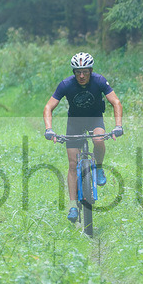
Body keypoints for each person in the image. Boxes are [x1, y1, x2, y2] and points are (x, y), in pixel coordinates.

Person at [43, 52, 123, 221]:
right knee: (73, 164)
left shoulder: (99, 81)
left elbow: (115, 102)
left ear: (91, 71)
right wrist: (49, 129)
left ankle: (99, 168)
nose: (81, 75)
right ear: (73, 72)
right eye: (78, 72)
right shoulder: (66, 84)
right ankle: (73, 206)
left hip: (95, 119)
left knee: (98, 139)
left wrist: (118, 126)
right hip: (75, 123)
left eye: (85, 72)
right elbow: (48, 107)